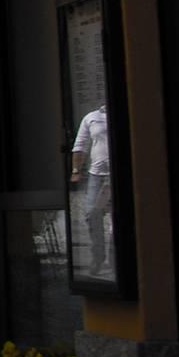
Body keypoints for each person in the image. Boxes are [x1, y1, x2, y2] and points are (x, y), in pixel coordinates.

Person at [70, 101, 111, 275]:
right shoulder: (92, 117)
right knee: (91, 214)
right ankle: (98, 256)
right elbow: (80, 145)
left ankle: (116, 256)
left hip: (117, 175)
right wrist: (76, 170)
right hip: (97, 176)